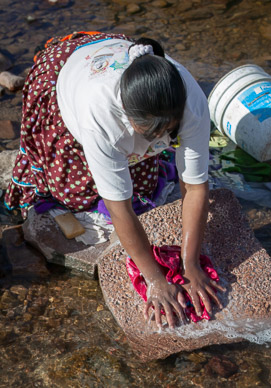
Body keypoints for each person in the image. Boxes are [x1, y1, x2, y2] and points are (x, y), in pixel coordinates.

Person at [5, 31, 225, 329]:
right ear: (125, 113)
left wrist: (191, 264)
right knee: (75, 194)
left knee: (144, 185)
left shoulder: (191, 103)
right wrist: (155, 279)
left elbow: (196, 187)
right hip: (68, 73)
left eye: (167, 131)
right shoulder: (99, 116)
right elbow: (120, 209)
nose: (158, 140)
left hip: (115, 65)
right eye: (147, 132)